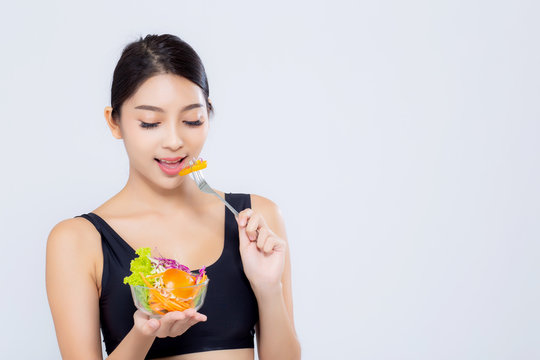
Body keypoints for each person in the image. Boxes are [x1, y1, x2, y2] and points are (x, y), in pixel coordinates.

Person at [46, 34, 301, 360]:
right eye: (150, 123)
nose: (174, 141)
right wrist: (144, 333)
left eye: (192, 120)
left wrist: (268, 289)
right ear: (115, 122)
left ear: (208, 114)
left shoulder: (257, 219)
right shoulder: (78, 240)